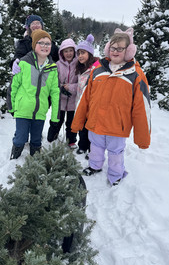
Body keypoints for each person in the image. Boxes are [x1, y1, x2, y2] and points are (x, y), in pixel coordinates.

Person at [71, 28, 151, 186]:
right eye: (113, 47)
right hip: (96, 123)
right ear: (108, 48)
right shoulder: (97, 70)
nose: (115, 51)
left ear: (128, 51)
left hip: (117, 126)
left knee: (116, 153)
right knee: (96, 147)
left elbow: (142, 107)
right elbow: (85, 99)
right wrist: (77, 122)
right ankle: (95, 166)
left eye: (120, 48)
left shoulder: (135, 74)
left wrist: (142, 137)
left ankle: (116, 173)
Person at [7, 29, 60, 159]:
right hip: (22, 109)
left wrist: (55, 117)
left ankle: (35, 161)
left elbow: (55, 93)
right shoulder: (24, 63)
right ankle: (15, 157)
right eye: (41, 43)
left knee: (36, 139)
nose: (45, 46)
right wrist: (11, 106)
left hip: (40, 111)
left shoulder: (52, 68)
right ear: (34, 45)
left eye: (48, 43)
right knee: (21, 137)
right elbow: (13, 86)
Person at [47, 38, 78, 148]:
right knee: (56, 120)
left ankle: (71, 140)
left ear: (74, 51)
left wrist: (71, 87)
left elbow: (82, 83)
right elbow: (53, 81)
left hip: (73, 100)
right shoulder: (58, 65)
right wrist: (61, 87)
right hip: (59, 100)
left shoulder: (78, 64)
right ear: (61, 53)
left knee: (71, 123)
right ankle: (52, 138)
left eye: (70, 50)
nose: (68, 53)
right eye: (66, 51)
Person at [75, 34, 99, 156]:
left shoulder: (96, 68)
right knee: (82, 126)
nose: (80, 56)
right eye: (78, 53)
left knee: (91, 127)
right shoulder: (81, 68)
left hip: (92, 104)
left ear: (90, 54)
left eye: (83, 53)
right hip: (81, 102)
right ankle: (82, 145)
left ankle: (92, 150)